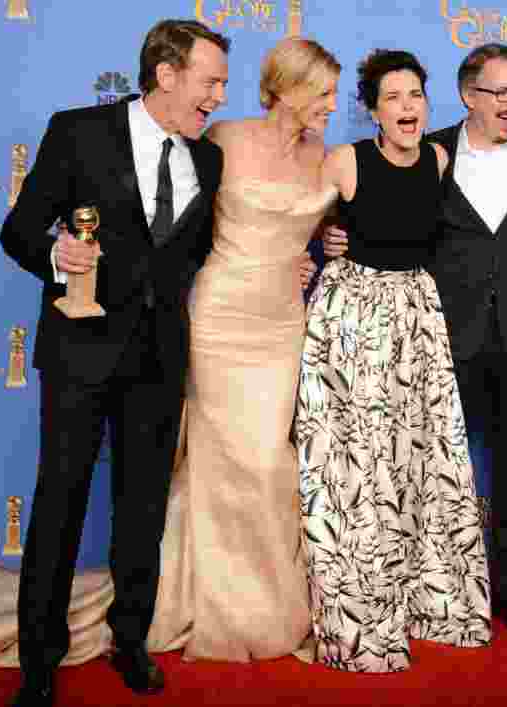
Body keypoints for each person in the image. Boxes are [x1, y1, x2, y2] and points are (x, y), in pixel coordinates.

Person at [0, 19, 230, 706]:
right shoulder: (78, 132)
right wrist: (54, 256)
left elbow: (195, 251)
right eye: (210, 80)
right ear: (166, 74)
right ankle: (39, 661)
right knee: (59, 502)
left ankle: (131, 639)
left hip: (160, 357)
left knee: (142, 506)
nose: (218, 96)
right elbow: (18, 230)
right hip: (80, 350)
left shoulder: (208, 159)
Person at [324, 43, 507, 638]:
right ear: (468, 96)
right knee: (421, 466)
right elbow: (382, 214)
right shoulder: (430, 151)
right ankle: (419, 586)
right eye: (498, 92)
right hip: (439, 338)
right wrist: (334, 239)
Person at [295, 49, 491, 673]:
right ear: (372, 110)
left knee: (419, 459)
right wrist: (320, 240)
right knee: (358, 466)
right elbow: (288, 221)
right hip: (354, 319)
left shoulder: (438, 158)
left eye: (416, 97)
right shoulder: (346, 162)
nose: (408, 109)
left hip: (416, 318)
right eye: (393, 99)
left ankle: (430, 603)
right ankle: (359, 618)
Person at [146, 36, 340, 663]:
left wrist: (328, 250)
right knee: (220, 461)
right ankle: (205, 602)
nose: (333, 106)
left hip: (284, 324)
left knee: (268, 464)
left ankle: (268, 603)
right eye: (324, 93)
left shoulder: (329, 159)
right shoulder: (224, 137)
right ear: (286, 89)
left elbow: (362, 223)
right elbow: (171, 207)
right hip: (221, 316)